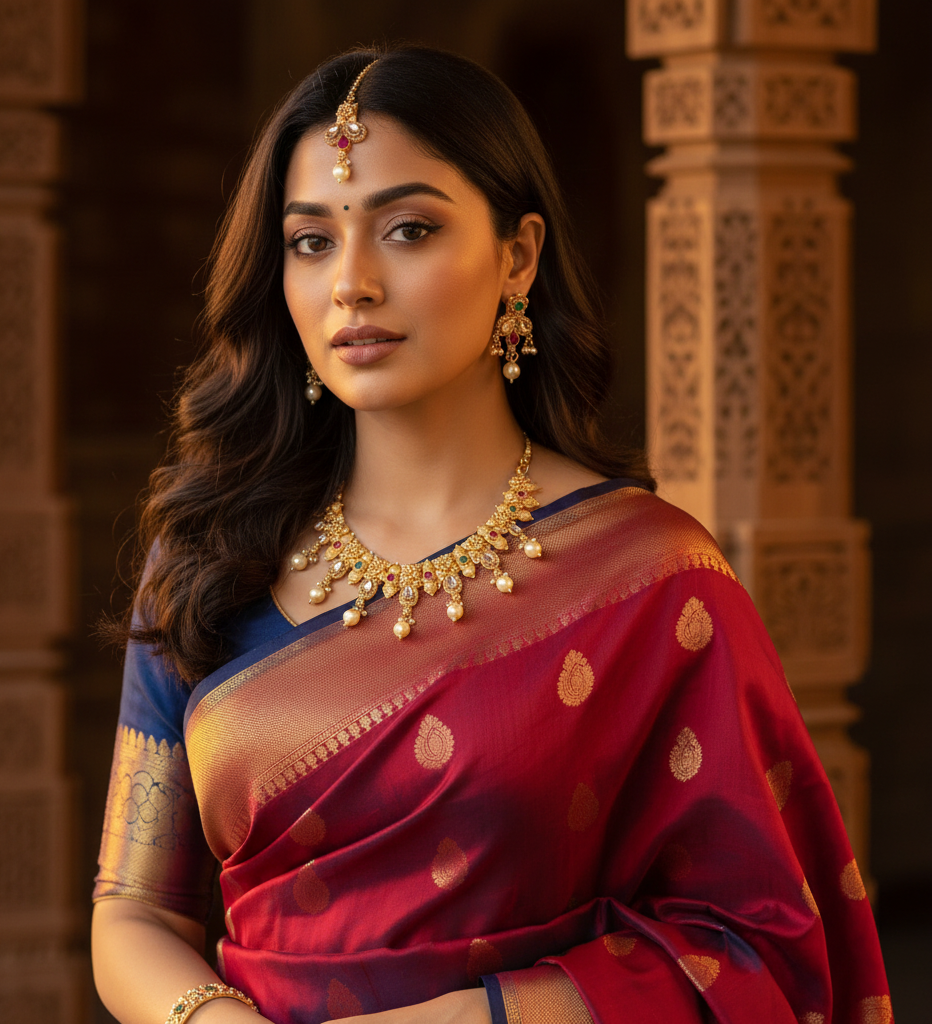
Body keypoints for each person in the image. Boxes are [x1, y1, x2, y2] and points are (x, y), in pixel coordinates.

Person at [90, 45, 891, 1024]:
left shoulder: (652, 580)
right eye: (310, 241)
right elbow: (133, 907)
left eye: (409, 229)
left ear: (518, 255)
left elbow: (756, 948)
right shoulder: (209, 555)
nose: (351, 283)